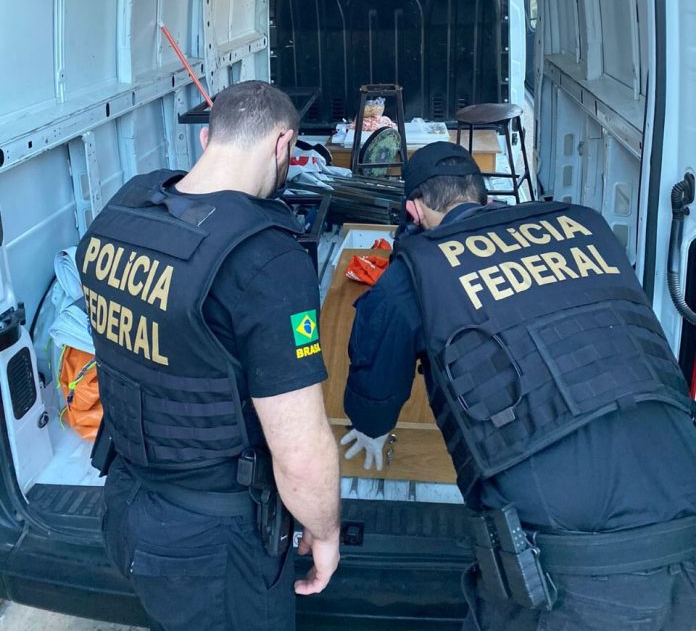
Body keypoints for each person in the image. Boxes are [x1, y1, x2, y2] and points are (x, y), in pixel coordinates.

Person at [342, 141, 696, 631]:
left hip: (575, 569)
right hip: (683, 497)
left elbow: (376, 371)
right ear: (484, 197)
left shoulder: (418, 269)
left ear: (414, 210)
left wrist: (371, 427)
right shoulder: (585, 227)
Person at [77, 81, 340, 631]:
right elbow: (299, 449)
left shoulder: (124, 210)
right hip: (215, 544)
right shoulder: (267, 258)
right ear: (284, 145)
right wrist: (325, 530)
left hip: (128, 504)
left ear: (206, 139)